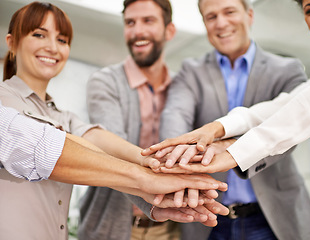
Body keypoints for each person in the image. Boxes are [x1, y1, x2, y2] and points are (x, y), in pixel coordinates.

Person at [0, 2, 229, 239]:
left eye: (62, 40)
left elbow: (95, 140)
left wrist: (151, 165)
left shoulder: (62, 116)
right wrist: (147, 180)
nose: (52, 47)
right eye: (39, 35)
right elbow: (55, 150)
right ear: (11, 43)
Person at [143, 0, 310, 239]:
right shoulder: (191, 71)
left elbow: (305, 111)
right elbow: (280, 107)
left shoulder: (290, 69)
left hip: (274, 215)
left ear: (250, 15)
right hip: (215, 218)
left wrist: (233, 153)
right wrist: (215, 130)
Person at [78, 0, 182, 239]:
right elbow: (113, 150)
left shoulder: (183, 86)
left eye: (148, 21)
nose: (137, 32)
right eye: (130, 23)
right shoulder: (105, 82)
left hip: (170, 230)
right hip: (114, 227)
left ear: (170, 30)